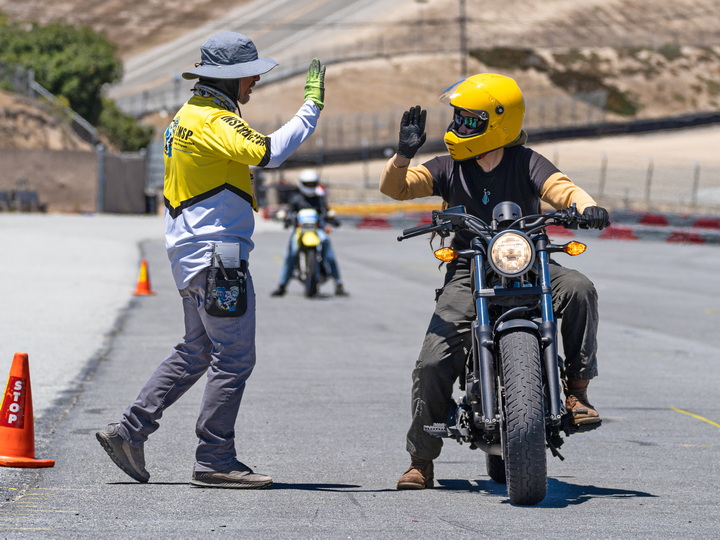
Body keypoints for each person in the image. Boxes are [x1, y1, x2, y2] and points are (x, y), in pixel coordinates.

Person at [96, 31, 326, 489]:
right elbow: (267, 151)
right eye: (249, 75)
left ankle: (130, 430)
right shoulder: (213, 120)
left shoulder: (186, 116)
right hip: (218, 254)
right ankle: (215, 458)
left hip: (191, 252)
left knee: (197, 350)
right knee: (235, 356)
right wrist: (311, 107)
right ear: (228, 79)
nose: (255, 81)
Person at [380, 73, 609, 490]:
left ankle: (577, 392)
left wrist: (586, 206)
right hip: (470, 269)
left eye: (470, 120)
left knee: (579, 287)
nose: (459, 127)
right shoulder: (448, 166)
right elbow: (398, 189)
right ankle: (421, 460)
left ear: (498, 123)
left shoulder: (526, 162)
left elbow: (561, 188)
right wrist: (403, 155)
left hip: (529, 262)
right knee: (433, 359)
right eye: (458, 118)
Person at [271, 169, 348, 297]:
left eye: (313, 184)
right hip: (299, 231)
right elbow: (289, 212)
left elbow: (325, 211)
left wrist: (330, 218)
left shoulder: (319, 199)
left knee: (329, 253)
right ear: (301, 184)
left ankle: (338, 284)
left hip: (317, 230)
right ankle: (282, 285)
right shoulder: (295, 198)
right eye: (307, 184)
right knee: (291, 253)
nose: (310, 186)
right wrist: (286, 218)